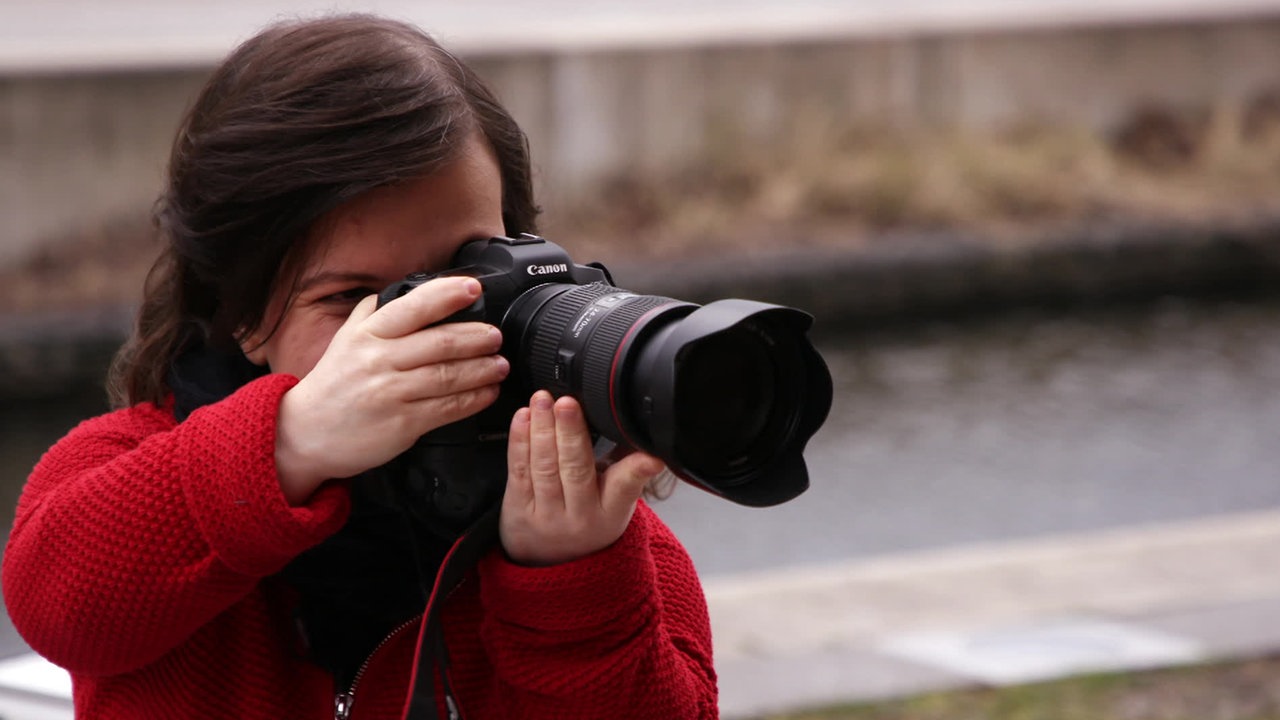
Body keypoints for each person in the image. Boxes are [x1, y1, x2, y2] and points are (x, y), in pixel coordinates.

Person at [2, 14, 717, 720]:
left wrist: (570, 582)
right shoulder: (124, 470)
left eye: (466, 273)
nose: (419, 327)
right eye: (350, 298)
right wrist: (289, 442)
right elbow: (57, 608)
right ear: (245, 315)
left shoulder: (600, 533)